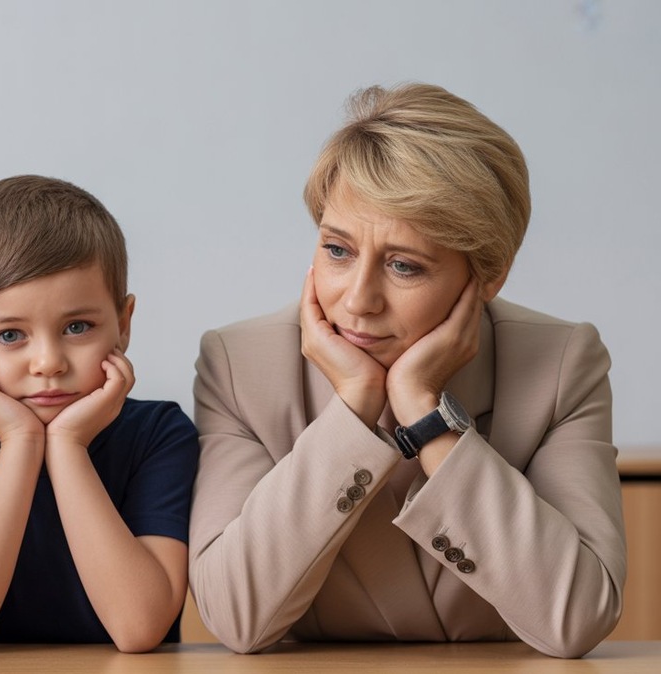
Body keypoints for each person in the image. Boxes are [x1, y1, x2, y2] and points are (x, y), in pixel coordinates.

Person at [188, 83, 625, 659]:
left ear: (487, 276)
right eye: (337, 251)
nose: (358, 300)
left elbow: (575, 618)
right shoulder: (240, 364)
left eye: (404, 266)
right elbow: (237, 618)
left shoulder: (563, 364)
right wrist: (353, 407)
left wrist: (425, 410)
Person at [0, 175, 199, 653]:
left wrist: (67, 446)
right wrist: (21, 443)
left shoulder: (161, 434)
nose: (48, 362)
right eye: (10, 335)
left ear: (123, 325)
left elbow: (138, 627)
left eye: (77, 327)